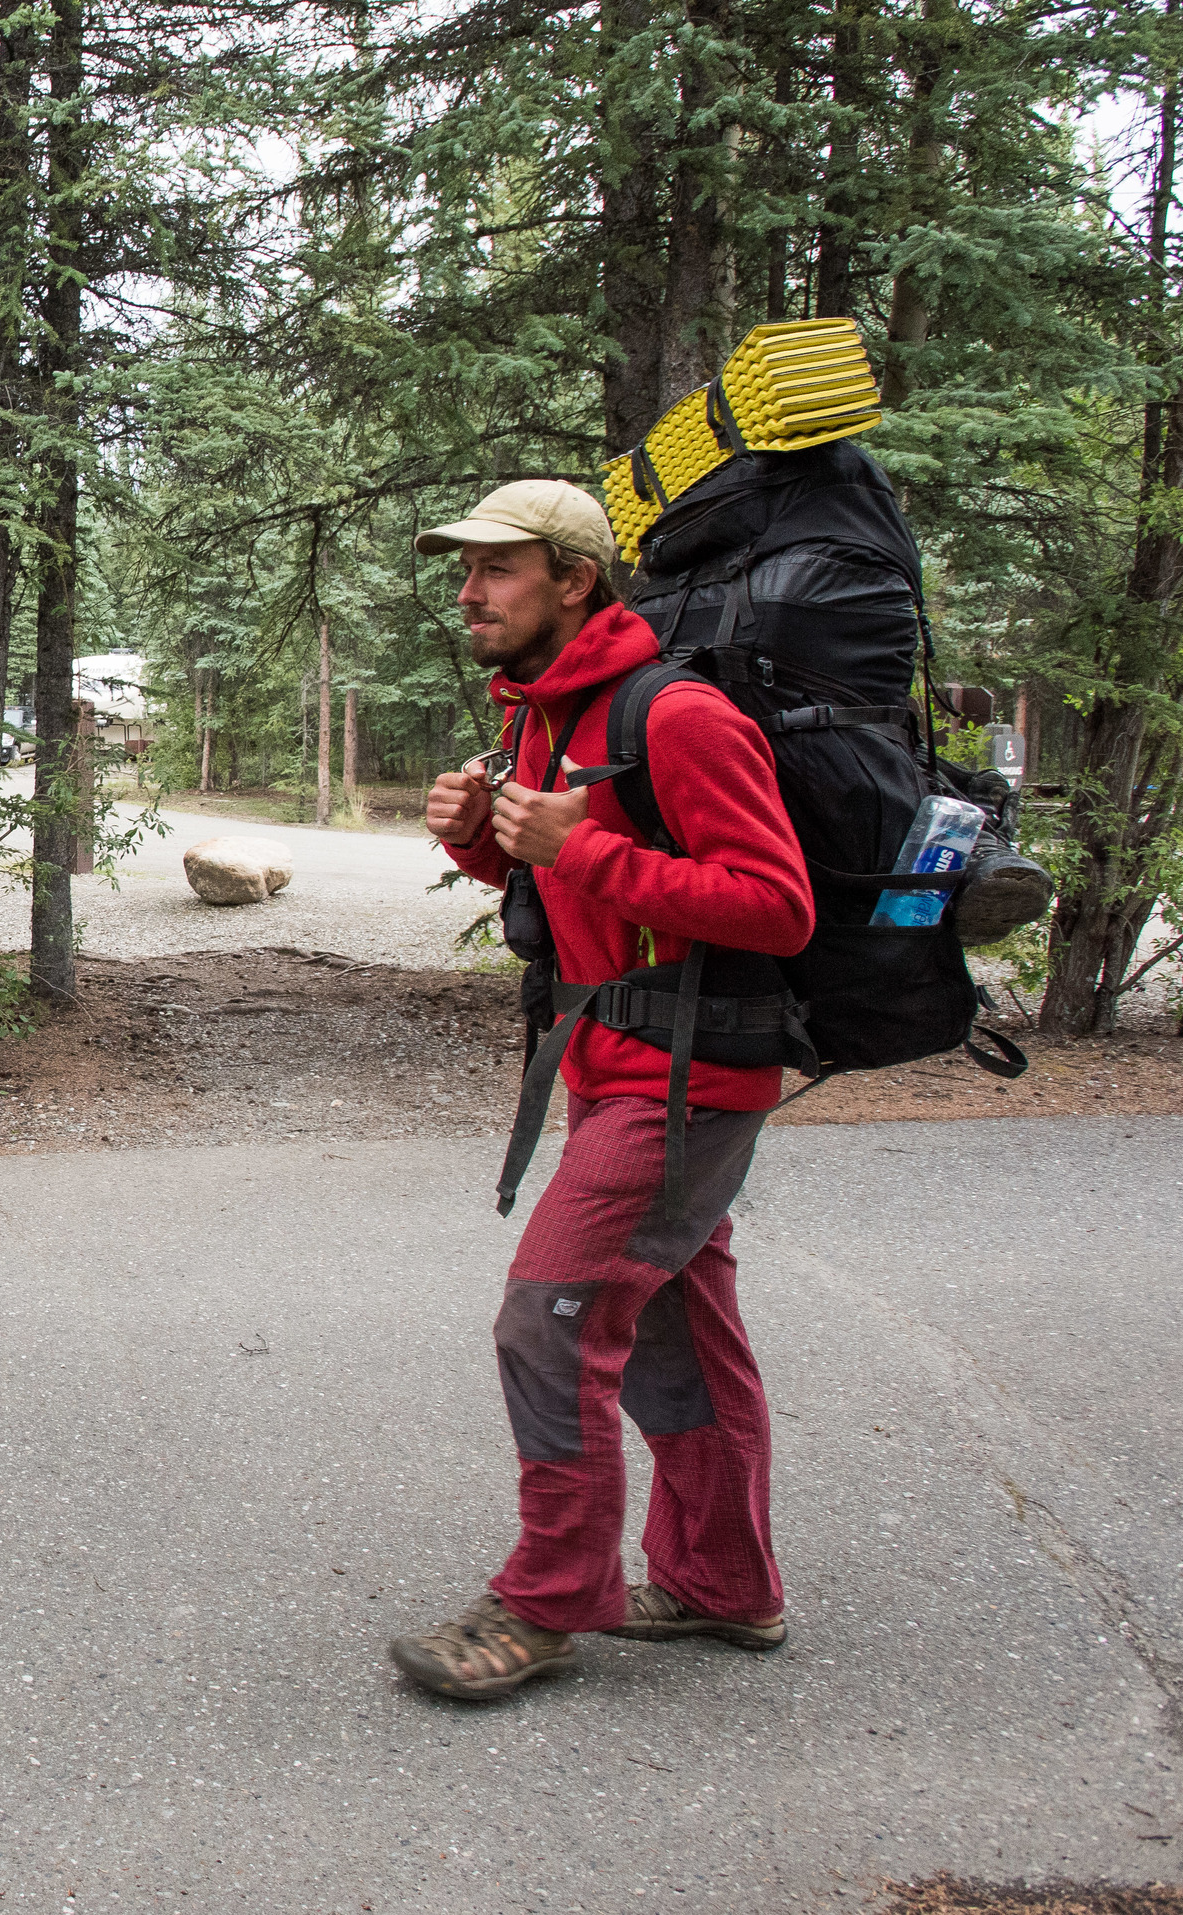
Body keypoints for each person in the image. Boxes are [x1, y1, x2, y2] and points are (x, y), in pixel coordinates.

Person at [390, 479, 815, 1700]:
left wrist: (575, 843)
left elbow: (775, 907)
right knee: (679, 1334)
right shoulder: (541, 717)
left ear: (574, 579)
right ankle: (726, 1584)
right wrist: (484, 839)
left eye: (497, 569)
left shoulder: (673, 716)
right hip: (614, 1066)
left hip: (685, 1080)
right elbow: (571, 896)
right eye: (462, 569)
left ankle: (546, 1597)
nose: (467, 592)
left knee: (549, 1317)